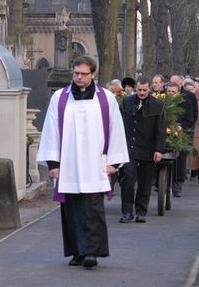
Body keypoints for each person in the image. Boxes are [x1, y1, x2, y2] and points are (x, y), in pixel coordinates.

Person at [37, 55, 129, 269]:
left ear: (93, 74)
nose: (79, 77)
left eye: (83, 74)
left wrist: (113, 163)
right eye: (76, 73)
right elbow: (51, 131)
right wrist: (53, 165)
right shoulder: (60, 98)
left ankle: (91, 252)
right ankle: (76, 252)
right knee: (71, 209)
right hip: (68, 164)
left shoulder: (106, 99)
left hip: (95, 163)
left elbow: (116, 130)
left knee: (92, 208)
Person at [119, 77, 166, 223]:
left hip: (148, 148)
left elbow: (161, 129)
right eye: (139, 90)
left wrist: (158, 150)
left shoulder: (158, 105)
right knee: (128, 180)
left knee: (145, 183)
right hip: (129, 147)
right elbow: (119, 123)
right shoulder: (127, 102)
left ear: (149, 89)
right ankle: (127, 212)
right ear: (135, 88)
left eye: (145, 90)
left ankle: (141, 212)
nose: (142, 92)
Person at [167, 79, 196, 197]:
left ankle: (177, 184)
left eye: (173, 92)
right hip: (165, 133)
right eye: (169, 91)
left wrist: (180, 128)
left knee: (180, 159)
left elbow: (189, 120)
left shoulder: (186, 103)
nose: (170, 94)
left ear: (178, 93)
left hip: (180, 134)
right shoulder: (162, 103)